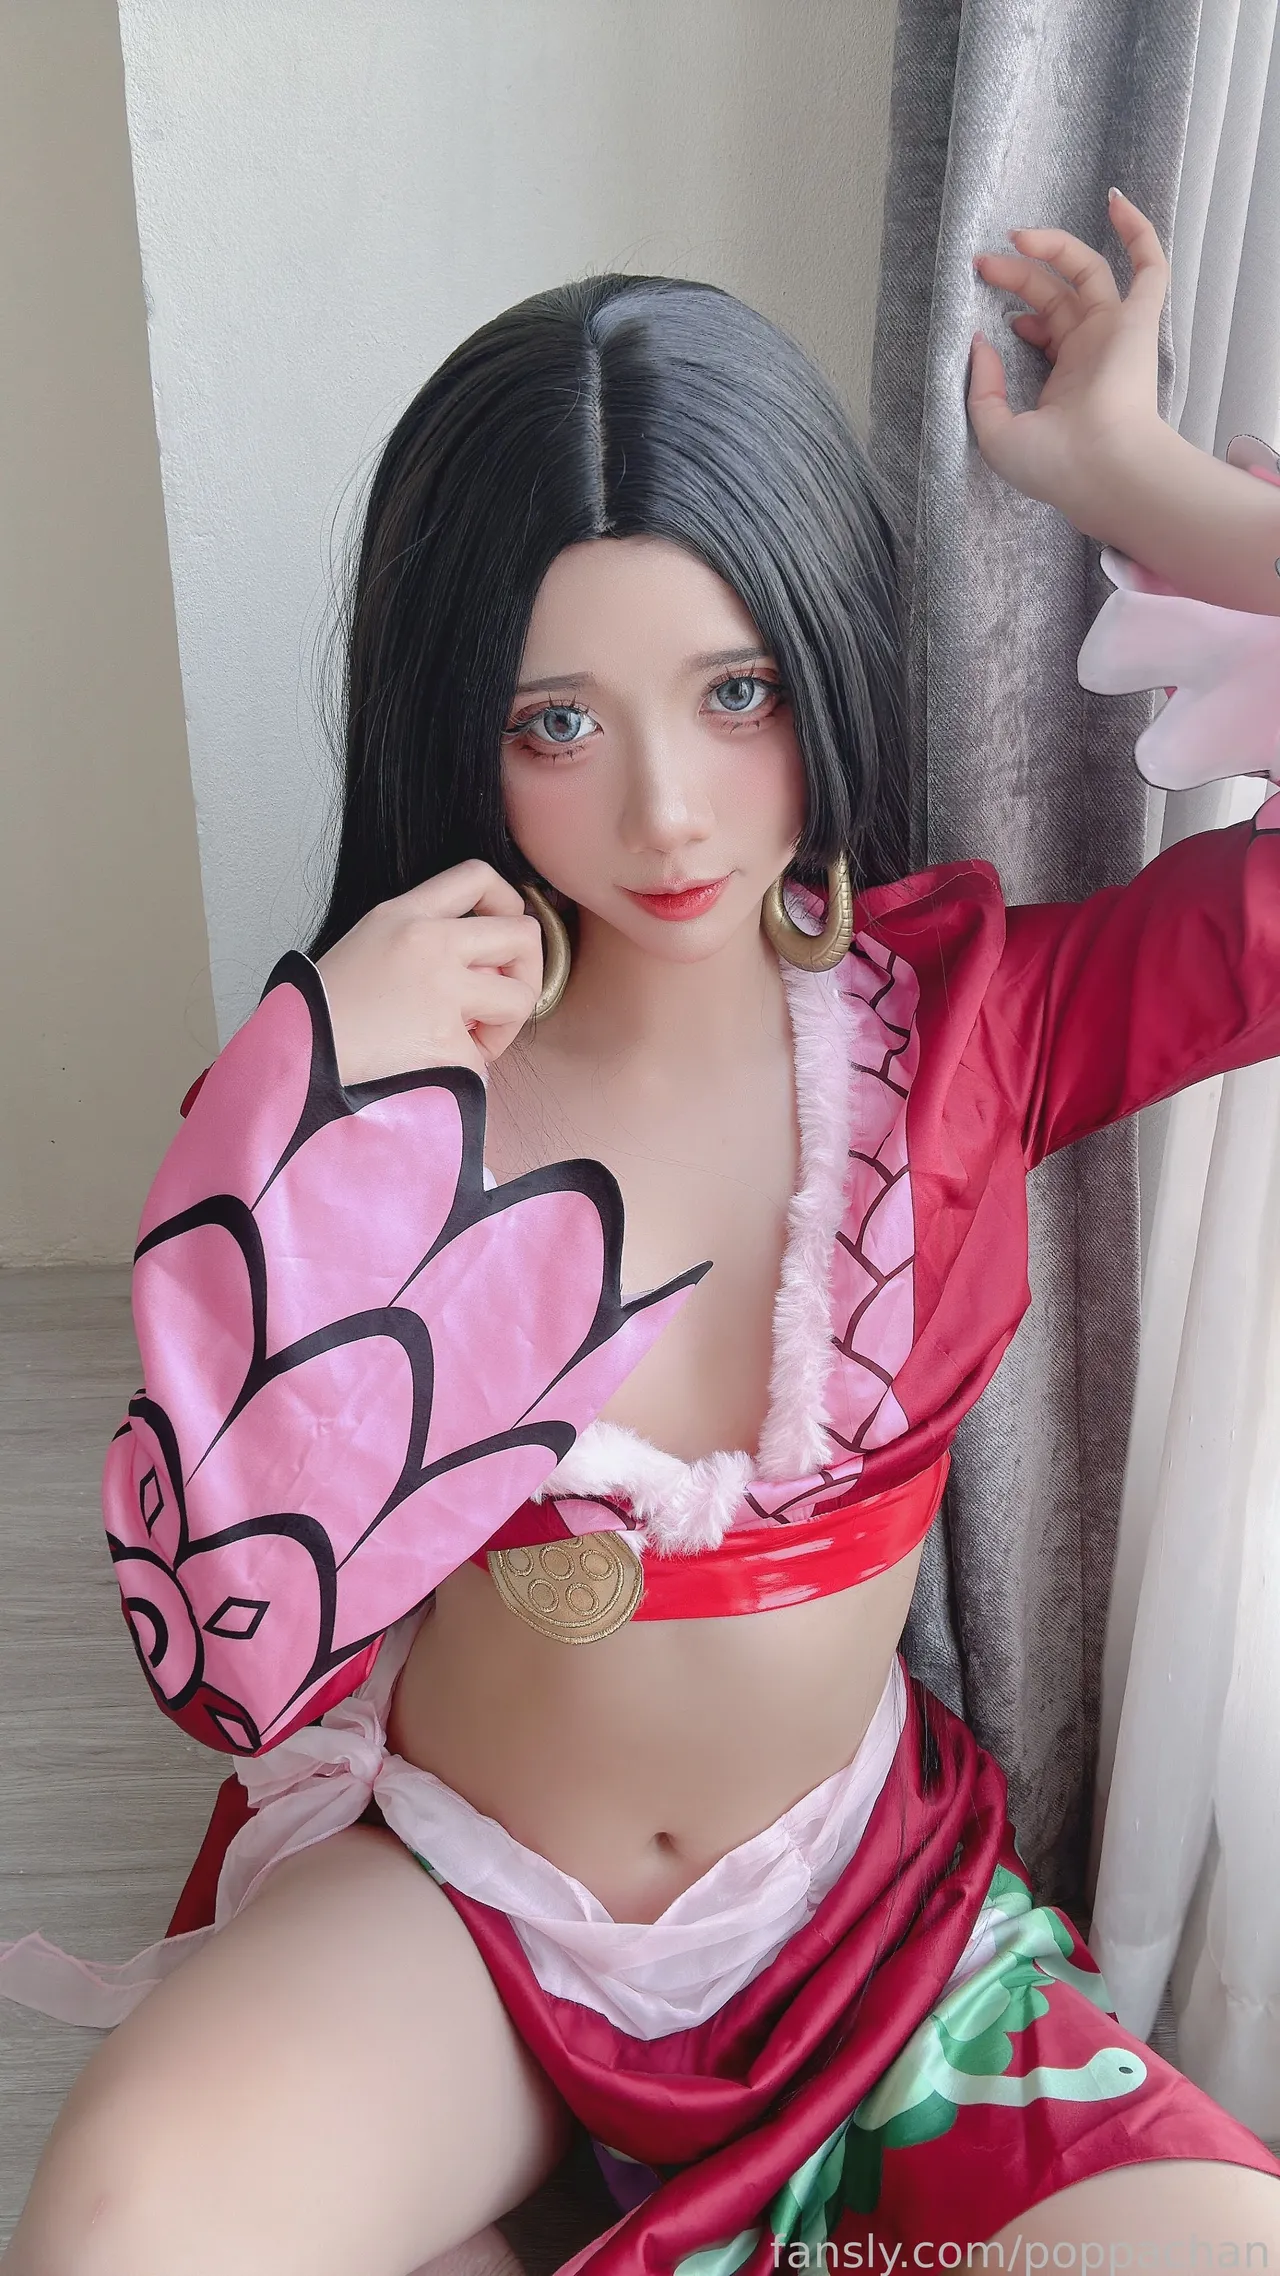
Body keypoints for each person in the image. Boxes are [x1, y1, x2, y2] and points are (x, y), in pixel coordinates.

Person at [3, 191, 1280, 2276]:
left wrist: (1134, 482)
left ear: (825, 660)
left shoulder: (973, 1023)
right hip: (462, 1916)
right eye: (561, 722)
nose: (670, 812)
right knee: (120, 2242)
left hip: (868, 1936)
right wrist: (306, 1102)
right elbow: (218, 1659)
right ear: (463, 728)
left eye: (736, 690)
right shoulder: (373, 1080)